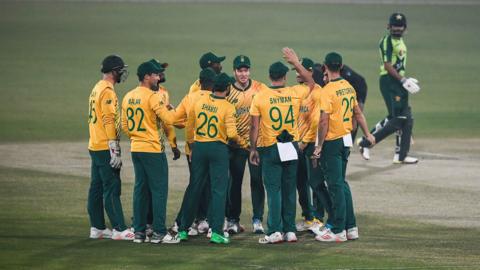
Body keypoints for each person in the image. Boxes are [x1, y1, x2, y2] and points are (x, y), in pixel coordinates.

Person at [249, 48, 316, 244]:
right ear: (285, 77)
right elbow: (311, 82)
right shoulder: (295, 92)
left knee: (273, 190)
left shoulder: (260, 96)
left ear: (270, 76)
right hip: (292, 147)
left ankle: (275, 231)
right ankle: (290, 230)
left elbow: (254, 125)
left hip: (270, 147)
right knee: (289, 189)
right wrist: (296, 62)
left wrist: (253, 149)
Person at [312, 52, 375, 242]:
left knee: (335, 185)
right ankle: (351, 226)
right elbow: (358, 113)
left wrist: (319, 145)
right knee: (342, 183)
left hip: (332, 141)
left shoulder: (327, 91)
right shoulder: (348, 86)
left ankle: (338, 229)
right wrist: (367, 134)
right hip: (346, 140)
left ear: (325, 67)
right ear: (340, 67)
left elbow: (324, 122)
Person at [177, 73, 247, 244]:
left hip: (199, 147)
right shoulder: (228, 107)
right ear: (228, 88)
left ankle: (183, 230)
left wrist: (192, 146)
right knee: (218, 190)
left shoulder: (199, 102)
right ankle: (216, 232)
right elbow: (231, 134)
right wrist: (243, 142)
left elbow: (189, 127)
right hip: (218, 149)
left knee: (194, 187)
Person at [121, 61, 179, 244]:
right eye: (155, 75)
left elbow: (124, 125)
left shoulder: (128, 96)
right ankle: (159, 233)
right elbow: (169, 119)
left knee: (140, 190)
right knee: (159, 191)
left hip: (136, 148)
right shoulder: (153, 97)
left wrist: (137, 136)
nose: (158, 77)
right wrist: (176, 110)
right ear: (146, 76)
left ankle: (138, 232)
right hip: (153, 149)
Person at [357, 12, 420, 164]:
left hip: (399, 81)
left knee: (406, 118)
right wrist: (403, 79)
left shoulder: (401, 42)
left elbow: (398, 65)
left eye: (400, 27)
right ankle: (366, 143)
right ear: (389, 26)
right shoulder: (387, 41)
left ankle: (401, 156)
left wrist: (404, 79)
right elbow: (387, 65)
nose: (397, 29)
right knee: (398, 118)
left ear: (405, 28)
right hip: (389, 81)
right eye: (394, 26)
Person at [87, 54, 134, 241]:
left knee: (96, 188)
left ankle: (97, 227)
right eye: (120, 70)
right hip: (105, 145)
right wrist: (113, 147)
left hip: (95, 144)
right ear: (114, 71)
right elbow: (108, 119)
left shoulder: (97, 88)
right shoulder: (107, 91)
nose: (122, 73)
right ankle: (119, 229)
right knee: (112, 187)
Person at [169, 68, 218, 236]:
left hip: (194, 150)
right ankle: (213, 226)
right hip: (214, 147)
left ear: (200, 81)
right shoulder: (217, 98)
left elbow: (175, 119)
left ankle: (181, 224)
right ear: (213, 84)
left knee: (194, 186)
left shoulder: (190, 97)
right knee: (215, 187)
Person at [225, 55, 267, 234]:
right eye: (240, 70)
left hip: (256, 145)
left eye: (246, 70)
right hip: (235, 145)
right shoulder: (227, 90)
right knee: (234, 182)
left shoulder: (260, 87)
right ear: (234, 71)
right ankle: (233, 219)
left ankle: (258, 220)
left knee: (257, 181)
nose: (243, 74)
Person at [294, 58, 324, 233]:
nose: (298, 74)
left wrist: (305, 142)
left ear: (310, 72)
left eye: (301, 70)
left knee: (315, 181)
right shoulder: (296, 91)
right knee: (301, 182)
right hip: (298, 143)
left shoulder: (317, 91)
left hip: (311, 144)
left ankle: (319, 219)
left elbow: (316, 121)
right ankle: (308, 217)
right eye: (296, 71)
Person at [313, 63, 368, 141]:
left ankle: (348, 142)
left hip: (358, 89)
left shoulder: (321, 77)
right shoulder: (326, 75)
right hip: (349, 91)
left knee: (353, 123)